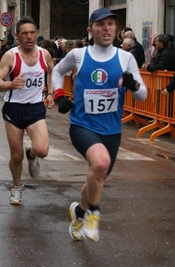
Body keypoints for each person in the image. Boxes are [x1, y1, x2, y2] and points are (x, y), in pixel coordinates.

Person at [52, 7, 147, 242]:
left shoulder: (126, 58)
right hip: (83, 125)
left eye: (110, 24)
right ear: (90, 29)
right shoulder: (79, 55)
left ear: (115, 30)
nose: (106, 28)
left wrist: (132, 84)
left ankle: (79, 211)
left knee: (98, 173)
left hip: (112, 129)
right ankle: (94, 214)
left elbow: (142, 95)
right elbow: (57, 71)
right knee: (100, 163)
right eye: (100, 24)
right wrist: (59, 95)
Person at [0, 16, 55, 205]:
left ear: (36, 33)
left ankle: (32, 155)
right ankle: (17, 186)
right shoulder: (11, 55)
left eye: (32, 32)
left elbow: (52, 72)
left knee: (42, 150)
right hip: (14, 110)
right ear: (17, 36)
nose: (29, 37)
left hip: (35, 108)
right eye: (24, 33)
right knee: (16, 156)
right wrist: (10, 84)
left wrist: (50, 93)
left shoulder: (45, 54)